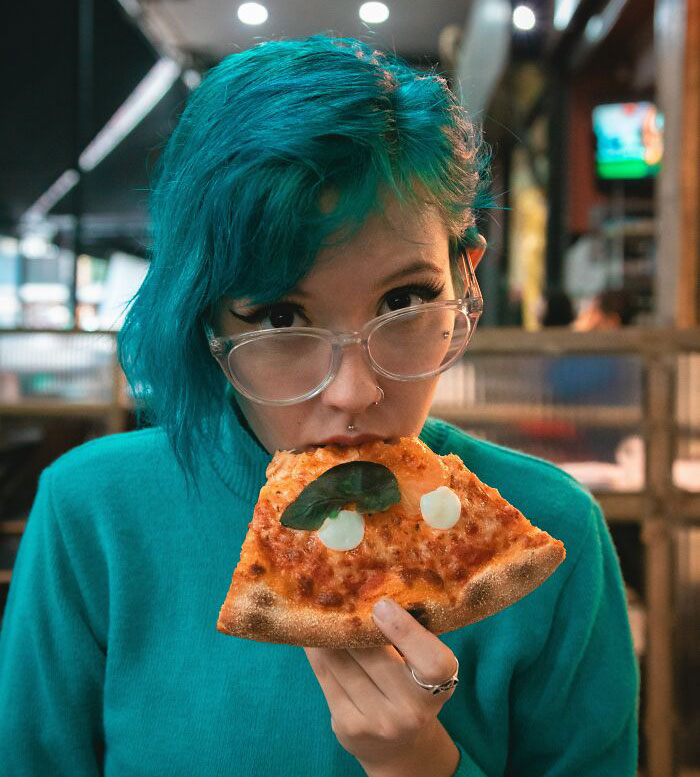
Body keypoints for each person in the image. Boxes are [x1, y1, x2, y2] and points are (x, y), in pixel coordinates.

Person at [0, 36, 638, 776]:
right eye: (279, 316)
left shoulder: (554, 533)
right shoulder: (92, 515)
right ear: (206, 322)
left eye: (404, 299)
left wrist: (423, 765)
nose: (354, 390)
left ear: (467, 277)